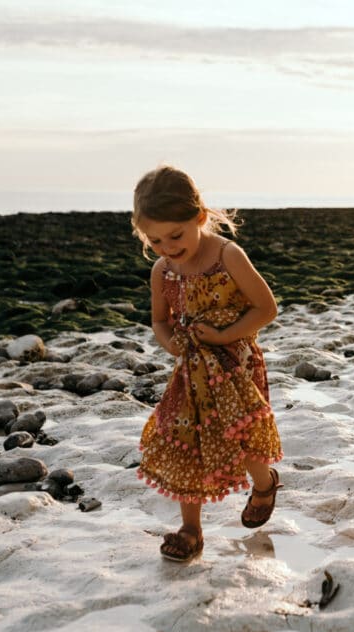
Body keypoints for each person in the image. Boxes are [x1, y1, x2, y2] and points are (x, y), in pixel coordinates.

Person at [132, 165, 283, 562]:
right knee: (187, 444)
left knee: (242, 435)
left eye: (176, 235)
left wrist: (222, 336)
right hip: (192, 373)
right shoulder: (162, 270)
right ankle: (191, 529)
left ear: (199, 216)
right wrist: (172, 347)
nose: (167, 246)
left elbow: (266, 308)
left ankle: (264, 484)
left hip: (236, 365)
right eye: (155, 239)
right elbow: (160, 320)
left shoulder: (227, 255)